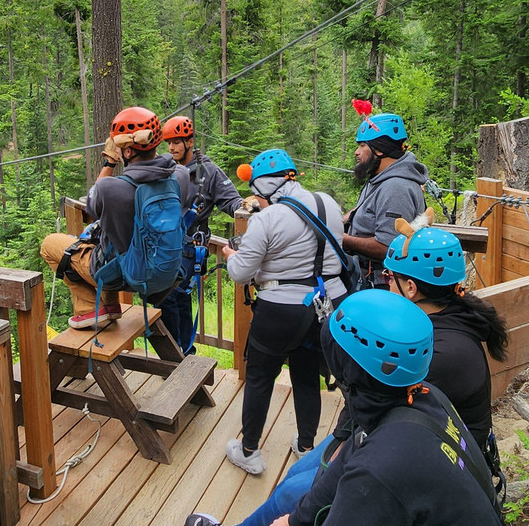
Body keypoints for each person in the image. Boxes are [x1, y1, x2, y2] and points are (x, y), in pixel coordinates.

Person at [185, 217, 509, 526]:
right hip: (420, 453)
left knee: (298, 491)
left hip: (413, 469)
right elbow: (369, 422)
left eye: (391, 277)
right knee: (301, 473)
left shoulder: (437, 355)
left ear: (413, 288)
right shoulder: (431, 338)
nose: (386, 281)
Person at [221, 149, 347, 475]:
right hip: (326, 306)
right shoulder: (328, 204)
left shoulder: (268, 217)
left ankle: (249, 451)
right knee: (306, 375)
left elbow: (241, 273)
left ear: (264, 188)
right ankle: (307, 446)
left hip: (280, 310)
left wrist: (229, 254)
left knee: (261, 377)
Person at [39, 106, 190, 330]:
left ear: (126, 151)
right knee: (107, 246)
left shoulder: (110, 188)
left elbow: (91, 204)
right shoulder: (180, 176)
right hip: (163, 273)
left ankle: (90, 307)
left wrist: (109, 162)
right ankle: (108, 306)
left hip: (120, 275)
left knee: (50, 244)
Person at [157, 115, 243, 354]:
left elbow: (232, 202)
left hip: (189, 246)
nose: (172, 147)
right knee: (175, 299)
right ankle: (183, 351)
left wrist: (249, 206)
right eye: (169, 142)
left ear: (190, 141)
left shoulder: (208, 172)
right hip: (164, 243)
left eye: (177, 142)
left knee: (171, 296)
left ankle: (176, 353)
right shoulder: (165, 167)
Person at [342, 110, 428, 288]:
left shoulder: (395, 188)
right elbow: (371, 209)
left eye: (362, 145)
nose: (356, 152)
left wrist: (343, 239)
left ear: (379, 150)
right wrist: (344, 218)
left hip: (382, 284)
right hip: (367, 277)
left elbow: (388, 247)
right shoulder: (380, 177)